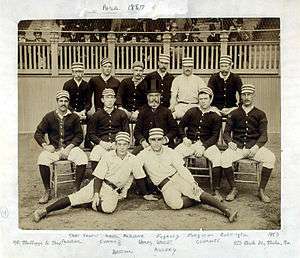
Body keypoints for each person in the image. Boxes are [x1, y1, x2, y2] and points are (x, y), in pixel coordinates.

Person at [33, 132, 157, 223]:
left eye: (125, 144)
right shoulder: (108, 156)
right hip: (100, 184)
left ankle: (88, 204)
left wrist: (145, 194)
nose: (122, 147)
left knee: (108, 209)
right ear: (115, 145)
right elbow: (98, 177)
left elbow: (140, 178)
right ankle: (44, 211)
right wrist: (96, 193)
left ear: (128, 145)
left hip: (113, 191)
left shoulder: (133, 159)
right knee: (74, 198)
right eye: (119, 144)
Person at [134, 128, 238, 222]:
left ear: (163, 140)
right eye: (153, 140)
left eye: (159, 139)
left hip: (178, 177)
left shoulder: (170, 151)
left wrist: (192, 183)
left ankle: (227, 210)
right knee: (175, 205)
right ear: (149, 140)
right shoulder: (143, 154)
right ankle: (203, 199)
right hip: (164, 185)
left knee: (195, 191)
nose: (156, 143)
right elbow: (135, 169)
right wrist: (145, 193)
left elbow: (181, 168)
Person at [221, 84, 276, 203]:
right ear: (240, 96)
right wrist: (230, 142)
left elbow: (264, 135)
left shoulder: (260, 114)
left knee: (270, 158)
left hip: (254, 148)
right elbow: (226, 133)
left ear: (253, 96)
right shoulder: (234, 113)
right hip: (238, 148)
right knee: (224, 158)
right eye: (244, 95)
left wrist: (256, 147)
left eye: (249, 95)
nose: (246, 97)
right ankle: (233, 188)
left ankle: (261, 190)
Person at [34, 90, 88, 204]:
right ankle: (47, 191)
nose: (63, 103)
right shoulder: (49, 116)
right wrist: (45, 145)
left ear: (69, 102)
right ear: (57, 102)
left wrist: (69, 148)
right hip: (55, 149)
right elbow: (38, 133)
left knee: (82, 158)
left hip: (70, 148)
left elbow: (79, 136)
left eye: (66, 101)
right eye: (61, 101)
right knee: (42, 159)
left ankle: (76, 188)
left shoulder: (74, 117)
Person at [175, 87, 223, 201]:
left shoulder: (215, 115)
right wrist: (184, 137)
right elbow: (180, 126)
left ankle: (216, 190)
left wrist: (204, 146)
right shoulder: (192, 111)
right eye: (201, 99)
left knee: (218, 158)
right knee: (174, 155)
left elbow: (215, 136)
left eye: (206, 98)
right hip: (190, 143)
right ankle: (180, 186)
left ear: (211, 100)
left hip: (207, 144)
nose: (203, 101)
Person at [132, 80, 178, 155]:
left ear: (160, 97)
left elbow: (174, 129)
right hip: (146, 145)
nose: (154, 98)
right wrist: (143, 141)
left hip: (163, 144)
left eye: (156, 95)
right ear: (147, 97)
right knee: (133, 157)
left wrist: (165, 139)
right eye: (151, 96)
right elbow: (137, 132)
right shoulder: (143, 112)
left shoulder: (166, 111)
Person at [88, 88, 129, 171]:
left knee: (122, 156)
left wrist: (117, 143)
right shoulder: (97, 115)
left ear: (115, 99)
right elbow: (91, 134)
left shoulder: (121, 114)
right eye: (107, 97)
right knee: (95, 154)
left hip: (118, 143)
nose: (109, 100)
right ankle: (97, 178)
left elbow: (126, 131)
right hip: (102, 144)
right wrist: (101, 143)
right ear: (102, 100)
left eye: (111, 97)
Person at [63, 62, 92, 148]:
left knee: (91, 118)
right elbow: (65, 102)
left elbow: (89, 103)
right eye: (75, 71)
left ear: (83, 73)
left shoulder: (86, 85)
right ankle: (69, 142)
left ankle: (87, 141)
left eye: (80, 71)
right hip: (71, 111)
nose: (78, 74)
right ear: (72, 72)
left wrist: (84, 111)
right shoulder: (67, 84)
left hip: (82, 112)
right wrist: (74, 112)